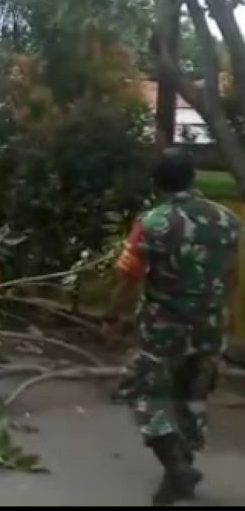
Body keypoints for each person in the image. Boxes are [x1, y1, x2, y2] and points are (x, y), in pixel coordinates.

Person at [105, 147, 240, 506]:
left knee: (147, 395)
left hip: (164, 329)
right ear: (193, 177)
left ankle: (178, 468)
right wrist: (225, 318)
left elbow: (129, 277)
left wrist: (113, 316)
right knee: (192, 396)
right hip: (211, 325)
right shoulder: (228, 220)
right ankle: (178, 473)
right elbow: (231, 276)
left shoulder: (153, 223)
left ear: (156, 182)